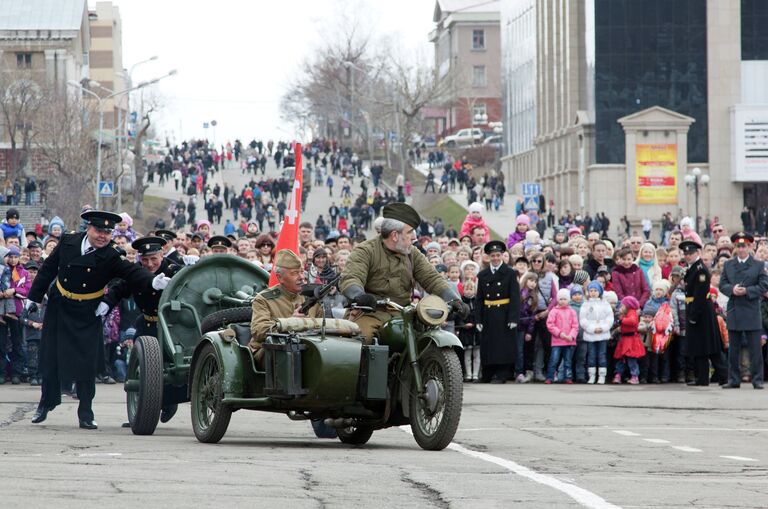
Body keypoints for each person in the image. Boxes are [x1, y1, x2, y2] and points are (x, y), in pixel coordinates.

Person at [28, 210, 170, 430]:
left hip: (87, 311)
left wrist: (152, 282)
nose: (103, 236)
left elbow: (131, 272)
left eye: (108, 232)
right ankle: (46, 403)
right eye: (99, 230)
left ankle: (85, 411)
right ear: (88, 228)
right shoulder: (69, 240)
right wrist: (34, 298)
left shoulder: (112, 254)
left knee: (86, 364)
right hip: (59, 304)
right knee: (50, 357)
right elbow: (48, 269)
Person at [340, 203, 467, 344]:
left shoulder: (412, 253)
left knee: (427, 340)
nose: (414, 237)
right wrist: (359, 296)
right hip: (370, 312)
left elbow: (431, 278)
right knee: (361, 341)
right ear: (395, 235)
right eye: (410, 232)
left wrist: (453, 299)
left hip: (403, 314)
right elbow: (352, 277)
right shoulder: (365, 251)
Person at [248, 249, 323, 367]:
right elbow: (259, 331)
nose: (301, 277)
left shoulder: (311, 297)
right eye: (294, 273)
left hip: (307, 350)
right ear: (280, 277)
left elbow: (324, 330)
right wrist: (289, 322)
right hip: (270, 351)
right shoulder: (263, 299)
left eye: (302, 272)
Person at [720, 232, 768, 389]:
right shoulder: (728, 264)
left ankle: (757, 379)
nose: (741, 249)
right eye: (738, 246)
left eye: (744, 246)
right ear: (735, 247)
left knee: (755, 349)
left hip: (751, 309)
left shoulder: (758, 265)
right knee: (733, 349)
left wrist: (747, 291)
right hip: (734, 309)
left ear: (750, 246)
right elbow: (722, 284)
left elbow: (764, 285)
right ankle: (734, 379)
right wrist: (732, 289)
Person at [680, 240, 727, 386]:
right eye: (686, 253)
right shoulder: (693, 267)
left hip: (701, 311)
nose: (688, 256)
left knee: (710, 346)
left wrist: (693, 316)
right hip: (695, 308)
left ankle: (724, 375)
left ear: (697, 253)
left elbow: (700, 294)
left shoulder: (700, 269)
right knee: (699, 345)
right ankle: (702, 378)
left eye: (691, 253)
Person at [475, 240, 521, 383]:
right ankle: (487, 373)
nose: (495, 258)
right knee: (488, 345)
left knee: (503, 345)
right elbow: (479, 299)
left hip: (504, 313)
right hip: (488, 314)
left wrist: (513, 318)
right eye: (492, 255)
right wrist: (478, 319)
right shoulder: (483, 275)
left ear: (502, 255)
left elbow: (515, 297)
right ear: (488, 256)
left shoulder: (510, 273)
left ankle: (502, 374)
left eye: (497, 255)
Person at [580, 281, 614, 384]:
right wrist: (591, 329)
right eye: (591, 290)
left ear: (599, 291)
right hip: (591, 334)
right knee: (591, 355)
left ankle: (602, 375)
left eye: (595, 290)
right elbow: (583, 319)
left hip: (602, 334)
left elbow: (610, 318)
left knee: (602, 354)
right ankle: (592, 375)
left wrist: (603, 328)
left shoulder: (605, 304)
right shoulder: (585, 304)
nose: (593, 293)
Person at [545, 288, 578, 384]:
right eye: (561, 299)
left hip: (569, 341)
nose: (563, 301)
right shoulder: (554, 311)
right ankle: (550, 377)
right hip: (557, 341)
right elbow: (550, 325)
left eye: (565, 299)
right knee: (554, 360)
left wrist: (571, 336)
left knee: (567, 361)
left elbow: (575, 326)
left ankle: (567, 377)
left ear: (568, 300)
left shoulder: (572, 311)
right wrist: (560, 334)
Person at [613, 296, 645, 384]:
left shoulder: (632, 312)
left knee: (631, 359)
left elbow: (632, 321)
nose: (621, 307)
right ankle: (618, 374)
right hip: (624, 339)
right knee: (621, 358)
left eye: (623, 305)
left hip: (631, 340)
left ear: (628, 306)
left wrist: (622, 320)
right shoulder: (624, 314)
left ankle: (634, 376)